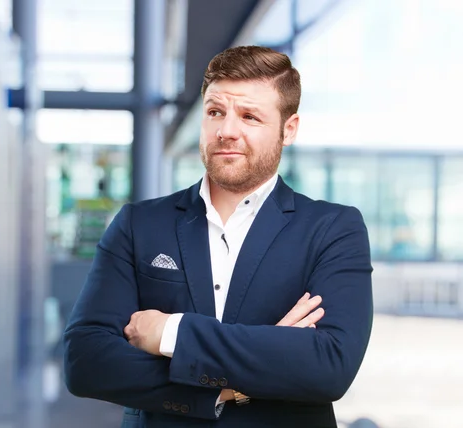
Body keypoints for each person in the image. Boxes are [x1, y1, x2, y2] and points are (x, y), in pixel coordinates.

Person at [63, 45, 373, 428]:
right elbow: (85, 361)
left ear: (288, 129)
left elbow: (329, 366)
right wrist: (240, 378)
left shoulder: (331, 229)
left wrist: (170, 333)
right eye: (215, 112)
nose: (227, 131)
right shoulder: (139, 224)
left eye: (249, 116)